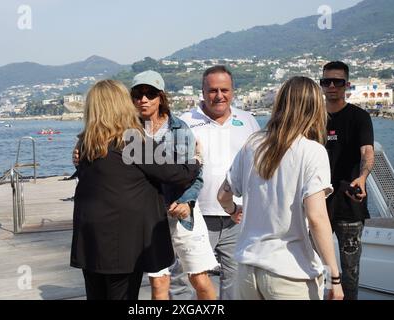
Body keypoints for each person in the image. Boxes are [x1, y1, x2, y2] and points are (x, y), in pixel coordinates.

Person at [70, 79, 201, 300]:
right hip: (123, 241)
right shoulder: (132, 141)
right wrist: (196, 160)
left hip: (90, 236)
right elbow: (175, 173)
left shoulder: (87, 143)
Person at [217, 76, 344, 300]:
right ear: (314, 108)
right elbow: (317, 217)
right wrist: (334, 275)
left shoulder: (253, 144)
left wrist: (232, 210)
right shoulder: (311, 151)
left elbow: (223, 195)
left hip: (247, 269)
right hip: (290, 273)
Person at [131, 70, 218, 300]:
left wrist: (187, 202)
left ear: (161, 97)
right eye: (137, 94)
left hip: (183, 213)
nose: (143, 99)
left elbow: (195, 175)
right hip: (149, 217)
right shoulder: (129, 132)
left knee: (199, 279)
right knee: (159, 283)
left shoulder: (180, 130)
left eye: (150, 94)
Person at [175, 65, 260, 300]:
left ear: (233, 91)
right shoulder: (184, 122)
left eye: (225, 89)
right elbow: (170, 169)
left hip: (238, 217)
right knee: (188, 281)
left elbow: (260, 166)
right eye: (213, 90)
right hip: (195, 216)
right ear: (202, 92)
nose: (219, 95)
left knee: (235, 285)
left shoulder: (249, 121)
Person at [321, 61, 375, 300]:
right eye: (326, 81)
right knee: (312, 264)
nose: (331, 86)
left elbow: (367, 151)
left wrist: (362, 177)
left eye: (337, 81)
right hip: (315, 203)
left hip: (349, 200)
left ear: (347, 85)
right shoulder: (312, 117)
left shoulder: (359, 117)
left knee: (350, 271)